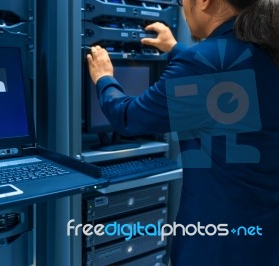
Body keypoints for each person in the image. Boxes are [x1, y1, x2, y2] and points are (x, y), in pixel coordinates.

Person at [87, 0, 279, 265]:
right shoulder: (266, 50)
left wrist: (104, 77)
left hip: (214, 244)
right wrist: (176, 49)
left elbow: (128, 117)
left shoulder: (203, 62)